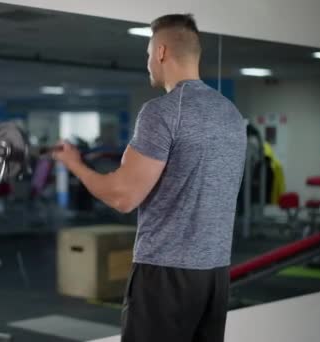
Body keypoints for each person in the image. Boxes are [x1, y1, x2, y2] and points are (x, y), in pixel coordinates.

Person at [53, 14, 247, 342]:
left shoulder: (163, 112)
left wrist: (74, 164)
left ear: (161, 52)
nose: (147, 63)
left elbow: (121, 196)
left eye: (147, 54)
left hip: (165, 275)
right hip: (215, 275)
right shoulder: (230, 113)